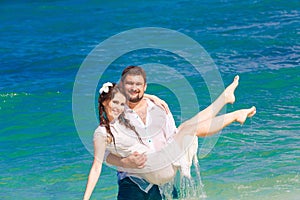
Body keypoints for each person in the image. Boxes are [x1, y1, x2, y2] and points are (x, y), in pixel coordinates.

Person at [83, 66, 256, 200]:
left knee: (187, 129)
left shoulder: (156, 107)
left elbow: (172, 136)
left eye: (139, 85)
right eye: (129, 85)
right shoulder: (115, 120)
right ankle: (228, 105)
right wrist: (124, 161)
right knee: (188, 128)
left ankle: (228, 104)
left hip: (163, 168)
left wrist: (151, 97)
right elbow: (100, 160)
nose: (134, 89)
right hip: (137, 179)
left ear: (145, 87)